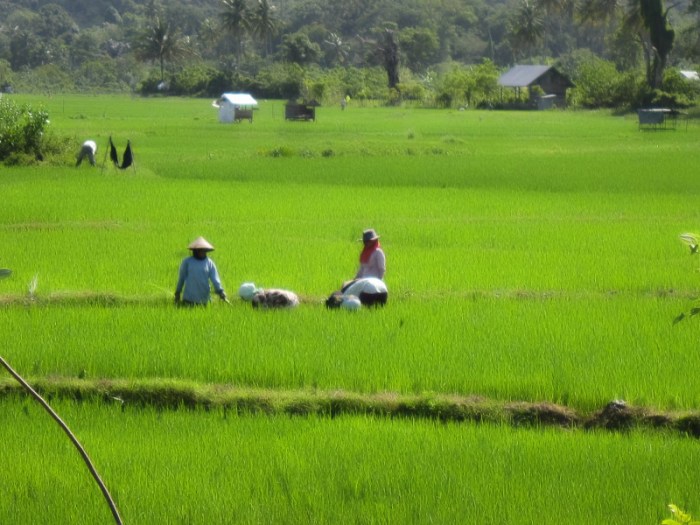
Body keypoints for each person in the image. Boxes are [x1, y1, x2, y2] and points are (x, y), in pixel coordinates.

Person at [174, 236, 227, 306]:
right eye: (200, 250)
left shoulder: (209, 263)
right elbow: (181, 278)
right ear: (195, 251)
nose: (202, 252)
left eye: (204, 250)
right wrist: (178, 292)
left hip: (204, 299)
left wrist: (221, 291)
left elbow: (215, 280)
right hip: (188, 299)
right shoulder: (187, 262)